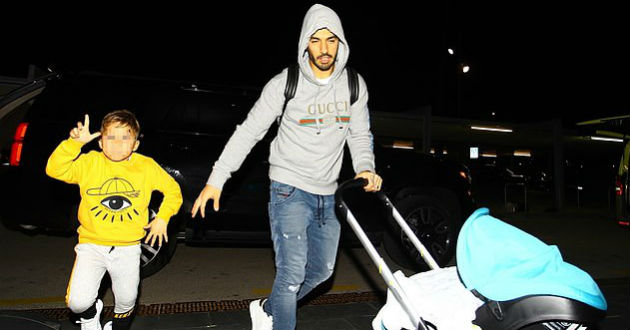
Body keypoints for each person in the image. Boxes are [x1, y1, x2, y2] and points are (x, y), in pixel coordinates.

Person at [191, 4, 382, 330]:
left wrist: (366, 166)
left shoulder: (354, 84)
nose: (324, 48)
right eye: (316, 40)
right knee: (291, 273)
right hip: (288, 187)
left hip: (329, 192)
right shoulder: (285, 83)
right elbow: (250, 131)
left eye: (331, 40)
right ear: (305, 42)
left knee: (321, 273)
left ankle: (269, 308)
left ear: (341, 43)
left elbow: (360, 134)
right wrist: (216, 179)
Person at [46, 110, 183, 330]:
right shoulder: (89, 163)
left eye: (125, 137)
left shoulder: (145, 166)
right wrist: (73, 145)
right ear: (100, 142)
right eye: (110, 137)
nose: (117, 144)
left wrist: (162, 218)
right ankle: (90, 317)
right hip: (91, 246)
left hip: (128, 249)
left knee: (126, 300)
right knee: (77, 302)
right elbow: (54, 169)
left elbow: (173, 190)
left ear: (135, 144)